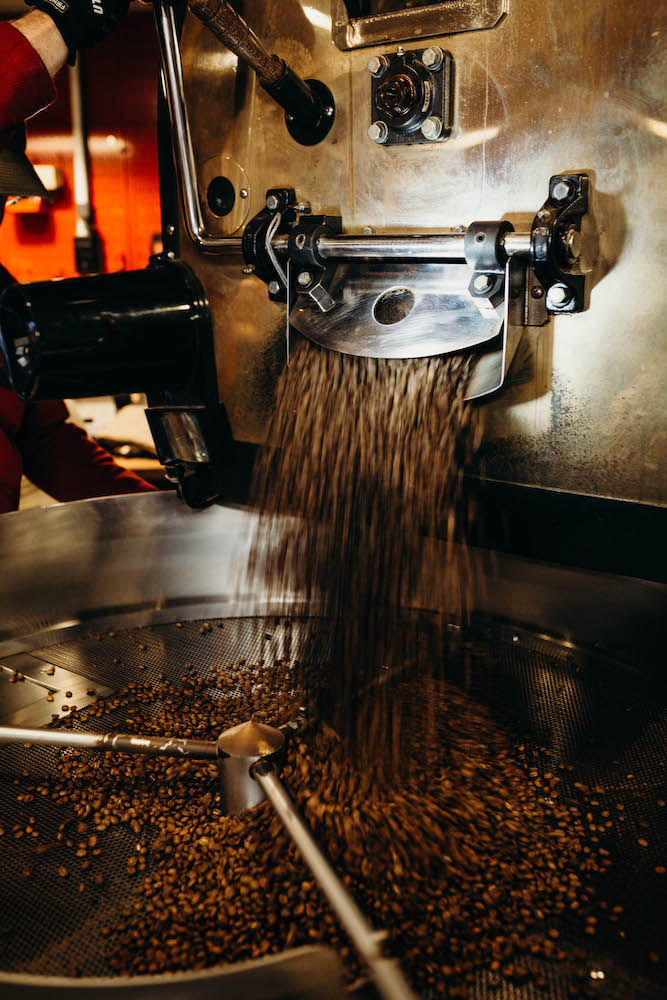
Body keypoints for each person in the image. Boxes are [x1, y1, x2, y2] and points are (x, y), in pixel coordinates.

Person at [0, 0, 158, 514]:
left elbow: (46, 441)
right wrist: (63, 18)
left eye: (1, 199)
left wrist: (157, 514)